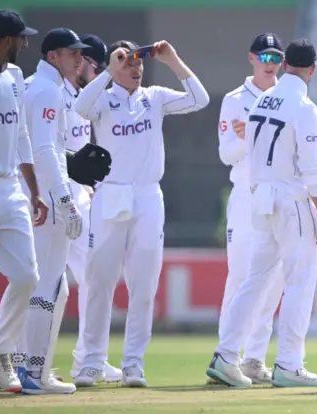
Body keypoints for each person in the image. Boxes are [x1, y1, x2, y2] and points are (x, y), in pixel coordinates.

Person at [73, 40, 209, 388]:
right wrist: (108, 70)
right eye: (127, 63)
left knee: (144, 284)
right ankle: (91, 361)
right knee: (100, 280)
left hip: (148, 196)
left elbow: (199, 99)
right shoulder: (101, 98)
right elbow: (79, 108)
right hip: (110, 194)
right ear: (113, 66)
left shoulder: (156, 97)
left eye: (138, 63)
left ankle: (133, 363)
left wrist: (173, 59)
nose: (135, 69)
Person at [207, 38, 317, 388]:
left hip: (259, 199)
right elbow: (312, 169)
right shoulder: (304, 107)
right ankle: (290, 365)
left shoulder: (262, 101)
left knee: (253, 281)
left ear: (286, 64)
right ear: (312, 69)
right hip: (292, 202)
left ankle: (225, 355)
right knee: (299, 284)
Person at [17, 28, 90, 395]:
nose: (78, 58)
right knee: (51, 285)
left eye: (79, 53)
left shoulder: (32, 85)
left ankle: (17, 366)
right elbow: (45, 151)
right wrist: (65, 200)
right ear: (52, 56)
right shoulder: (47, 90)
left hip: (32, 193)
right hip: (47, 197)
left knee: (30, 284)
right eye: (70, 53)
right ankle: (35, 373)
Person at [215, 32, 286, 384]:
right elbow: (226, 153)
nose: (270, 64)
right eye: (265, 57)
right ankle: (227, 356)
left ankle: (254, 359)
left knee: (273, 280)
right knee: (241, 276)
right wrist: (248, 138)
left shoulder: (286, 97)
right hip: (246, 193)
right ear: (252, 59)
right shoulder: (234, 99)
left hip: (277, 194)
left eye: (276, 58)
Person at [63, 33, 122, 384]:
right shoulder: (53, 92)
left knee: (93, 277)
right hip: (52, 197)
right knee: (41, 282)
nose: (94, 72)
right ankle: (17, 357)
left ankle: (88, 358)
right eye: (94, 66)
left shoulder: (79, 97)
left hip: (78, 198)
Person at [0, 10, 47, 394]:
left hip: (10, 187)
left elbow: (23, 136)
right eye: (20, 38)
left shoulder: (14, 77)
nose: (25, 44)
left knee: (28, 276)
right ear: (5, 40)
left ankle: (0, 354)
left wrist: (34, 190)